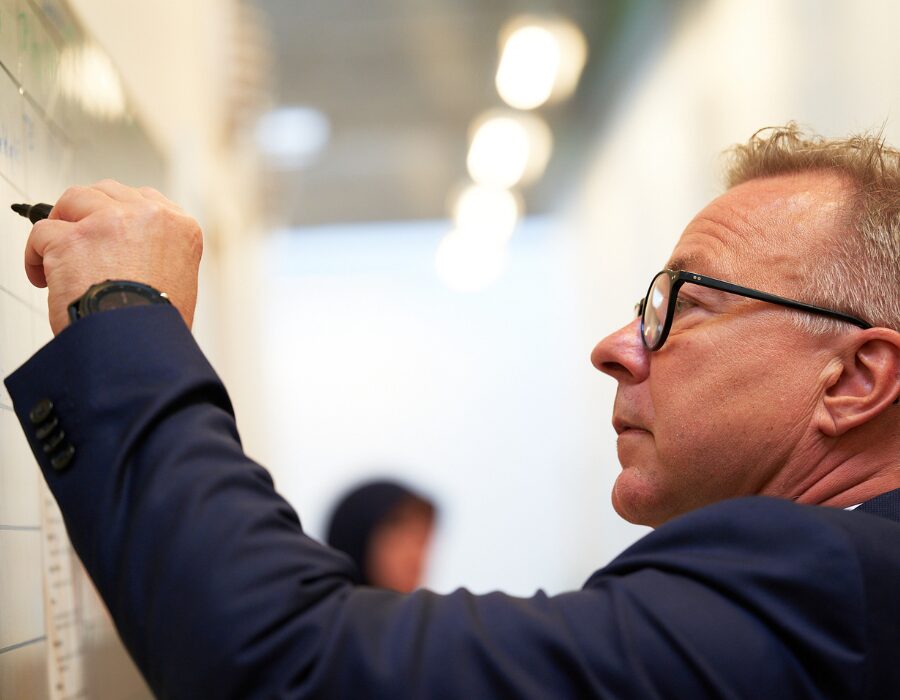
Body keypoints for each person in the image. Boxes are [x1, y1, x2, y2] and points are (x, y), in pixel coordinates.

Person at [4, 124, 899, 698]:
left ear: (855, 379)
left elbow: (289, 667)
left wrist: (125, 315)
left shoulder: (830, 587)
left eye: (684, 306)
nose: (616, 346)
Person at [325, 479, 436, 593]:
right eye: (397, 543)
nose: (415, 560)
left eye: (421, 543)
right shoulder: (326, 609)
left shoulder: (423, 609)